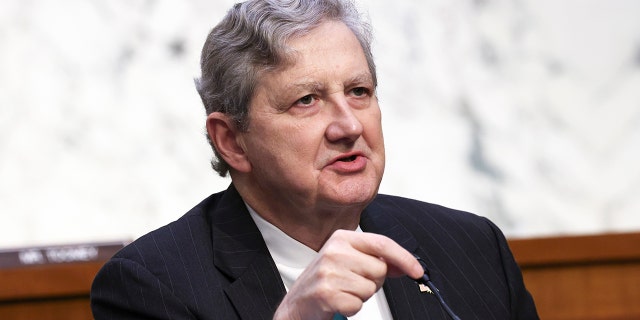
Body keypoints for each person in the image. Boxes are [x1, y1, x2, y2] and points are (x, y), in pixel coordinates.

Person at [90, 0, 539, 319]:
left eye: (359, 92)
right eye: (307, 100)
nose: (349, 126)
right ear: (232, 141)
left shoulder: (471, 247)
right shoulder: (152, 288)